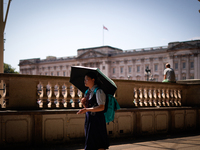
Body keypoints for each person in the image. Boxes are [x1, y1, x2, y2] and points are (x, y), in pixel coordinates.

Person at [77, 72, 109, 150]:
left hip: (97, 120)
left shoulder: (99, 91)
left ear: (93, 80)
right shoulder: (87, 92)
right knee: (90, 142)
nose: (85, 81)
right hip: (89, 120)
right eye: (84, 79)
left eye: (87, 79)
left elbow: (101, 107)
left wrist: (86, 109)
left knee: (99, 143)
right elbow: (89, 107)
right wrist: (84, 103)